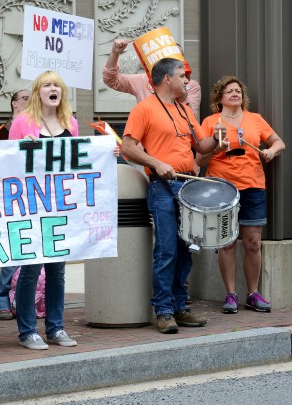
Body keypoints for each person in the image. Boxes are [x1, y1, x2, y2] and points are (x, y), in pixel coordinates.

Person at [121, 58, 228, 334]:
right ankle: (164, 310)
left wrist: (217, 138)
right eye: (182, 75)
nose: (187, 80)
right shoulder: (144, 109)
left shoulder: (184, 109)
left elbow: (202, 146)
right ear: (167, 78)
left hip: (188, 186)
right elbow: (127, 147)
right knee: (167, 249)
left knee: (185, 250)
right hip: (162, 185)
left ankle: (180, 307)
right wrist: (156, 163)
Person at [196, 76, 285, 314]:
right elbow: (200, 160)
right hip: (222, 188)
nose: (235, 94)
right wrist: (216, 147)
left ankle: (253, 294)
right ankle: (231, 294)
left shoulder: (255, 119)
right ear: (219, 97)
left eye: (238, 91)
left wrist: (270, 151)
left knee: (253, 243)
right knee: (227, 243)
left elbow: (279, 143)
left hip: (253, 186)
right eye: (229, 91)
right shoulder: (210, 122)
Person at [7, 71, 80, 350]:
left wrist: (105, 154)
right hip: (31, 204)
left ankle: (55, 328)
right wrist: (23, 149)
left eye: (57, 85)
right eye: (47, 85)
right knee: (31, 268)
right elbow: (7, 163)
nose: (53, 89)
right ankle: (27, 331)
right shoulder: (23, 122)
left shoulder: (70, 123)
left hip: (59, 204)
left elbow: (77, 160)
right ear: (38, 92)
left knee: (57, 270)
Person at [0, 89, 33, 321]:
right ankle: (1, 299)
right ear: (14, 103)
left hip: (33, 195)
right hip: (10, 195)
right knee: (13, 249)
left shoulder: (38, 126)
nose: (30, 100)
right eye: (26, 98)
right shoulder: (2, 131)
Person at [103, 39, 201, 120]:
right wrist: (115, 53)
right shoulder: (143, 80)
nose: (174, 62)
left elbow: (192, 120)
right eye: (170, 57)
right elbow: (111, 80)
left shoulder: (190, 85)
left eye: (178, 57)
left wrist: (182, 89)